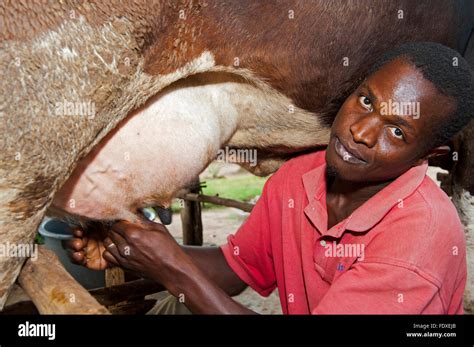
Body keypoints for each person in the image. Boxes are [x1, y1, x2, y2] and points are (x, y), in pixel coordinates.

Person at [65, 42, 473, 314]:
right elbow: (237, 267)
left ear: (429, 156)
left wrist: (176, 270)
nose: (361, 131)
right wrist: (138, 250)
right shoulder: (300, 176)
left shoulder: (419, 237)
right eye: (366, 100)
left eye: (397, 131)